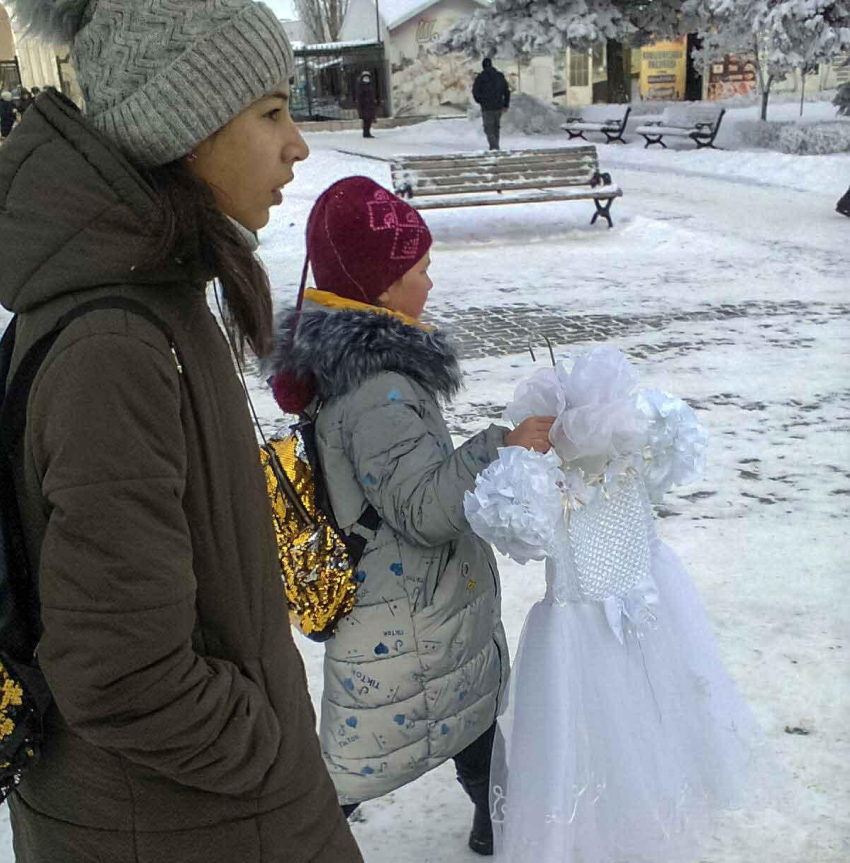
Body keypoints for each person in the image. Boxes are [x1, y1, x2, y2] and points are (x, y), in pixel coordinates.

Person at [1, 2, 363, 862]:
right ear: (184, 126)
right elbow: (124, 672)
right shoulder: (116, 346)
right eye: (270, 113)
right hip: (193, 824)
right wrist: (265, 751)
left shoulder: (148, 299)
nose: (297, 144)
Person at [266, 175, 555, 856]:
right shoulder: (379, 389)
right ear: (384, 284)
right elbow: (424, 507)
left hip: (417, 604)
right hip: (403, 614)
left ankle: (496, 819)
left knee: (468, 717)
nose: (430, 280)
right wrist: (501, 444)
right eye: (420, 267)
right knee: (371, 741)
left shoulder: (367, 370)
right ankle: (306, 835)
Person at [464, 348, 785, 862]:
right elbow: (519, 525)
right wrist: (530, 462)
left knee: (632, 718)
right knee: (611, 722)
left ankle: (636, 802)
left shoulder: (606, 465)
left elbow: (512, 524)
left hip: (636, 606)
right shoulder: (552, 478)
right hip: (599, 616)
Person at [472, 58, 510, 151]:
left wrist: (480, 101)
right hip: (498, 106)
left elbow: (475, 92)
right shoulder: (500, 76)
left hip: (486, 107)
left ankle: (494, 147)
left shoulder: (480, 77)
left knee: (488, 128)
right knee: (496, 127)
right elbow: (506, 91)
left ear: (483, 66)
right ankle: (495, 146)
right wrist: (505, 104)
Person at [356, 70, 377, 138]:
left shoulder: (370, 85)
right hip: (364, 106)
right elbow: (360, 96)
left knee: (369, 120)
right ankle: (366, 133)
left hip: (370, 105)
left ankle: (367, 132)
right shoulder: (361, 86)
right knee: (366, 120)